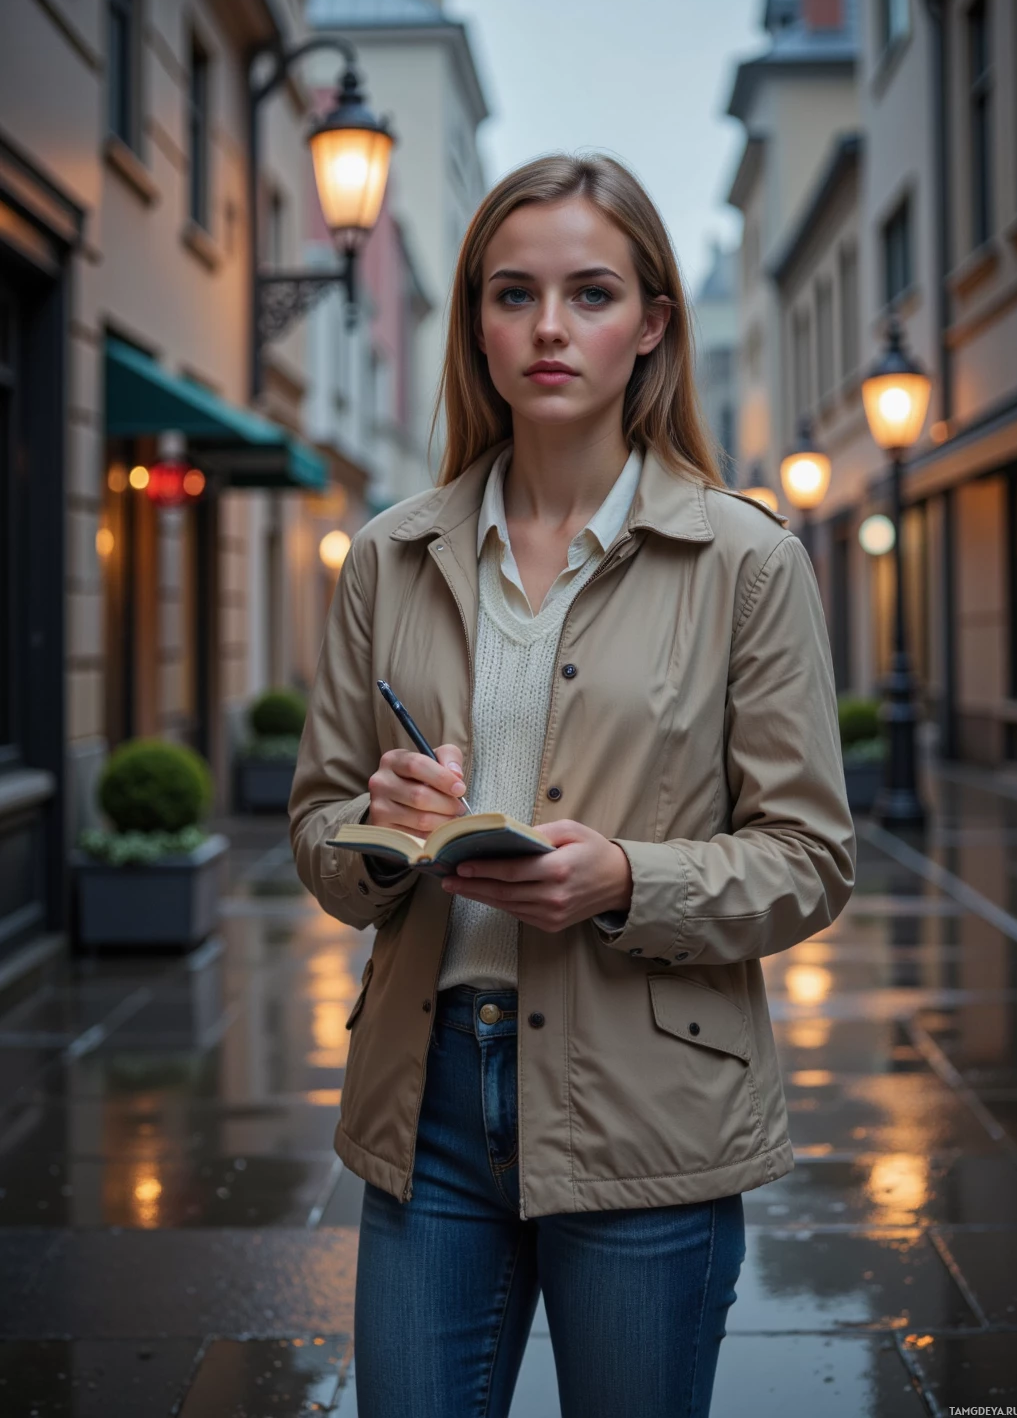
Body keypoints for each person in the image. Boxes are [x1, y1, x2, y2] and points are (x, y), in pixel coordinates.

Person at [289, 152, 856, 1418]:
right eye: (513, 294)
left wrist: (625, 880)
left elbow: (811, 858)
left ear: (651, 324)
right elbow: (318, 827)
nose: (549, 327)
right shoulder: (388, 555)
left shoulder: (744, 559)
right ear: (476, 328)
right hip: (422, 1096)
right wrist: (381, 834)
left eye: (590, 293)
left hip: (650, 1106)